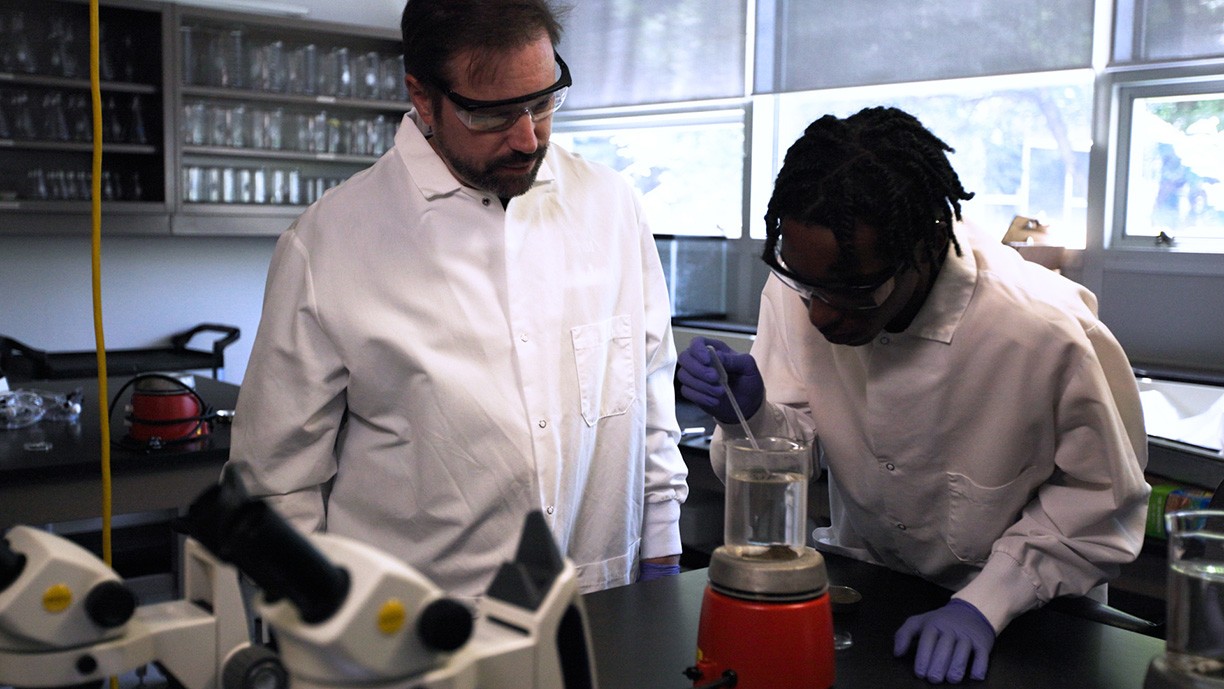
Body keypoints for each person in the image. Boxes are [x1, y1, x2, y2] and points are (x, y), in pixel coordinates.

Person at [224, 0, 688, 601]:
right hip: (418, 632)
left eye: (543, 101)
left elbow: (648, 389)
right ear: (423, 98)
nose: (528, 138)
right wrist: (329, 632)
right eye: (492, 115)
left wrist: (663, 543)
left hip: (601, 597)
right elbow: (277, 483)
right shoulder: (329, 243)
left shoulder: (611, 205)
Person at [677, 107, 1149, 684]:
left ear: (921, 252)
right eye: (806, 286)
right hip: (871, 595)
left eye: (852, 292)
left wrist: (986, 602)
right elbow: (796, 454)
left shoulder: (1040, 331)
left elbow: (1100, 505)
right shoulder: (802, 284)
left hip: (1029, 619)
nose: (821, 313)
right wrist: (750, 417)